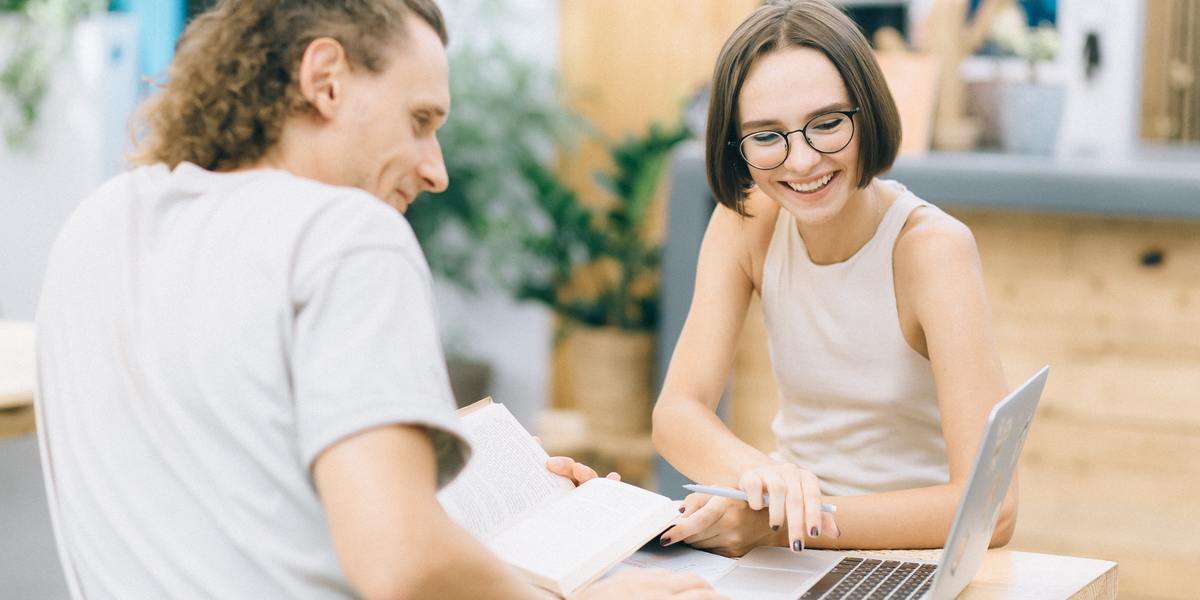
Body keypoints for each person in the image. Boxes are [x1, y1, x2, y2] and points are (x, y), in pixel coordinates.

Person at [34, 1, 719, 599]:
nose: (435, 169)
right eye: (419, 120)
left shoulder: (96, 224)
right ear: (325, 79)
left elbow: (230, 492)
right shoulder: (347, 232)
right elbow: (403, 564)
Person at [652, 0, 1012, 558]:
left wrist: (785, 523)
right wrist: (761, 478)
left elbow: (995, 508)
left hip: (913, 558)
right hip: (792, 552)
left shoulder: (933, 250)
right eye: (766, 136)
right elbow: (677, 412)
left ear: (867, 114)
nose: (801, 161)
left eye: (826, 124)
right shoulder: (746, 223)